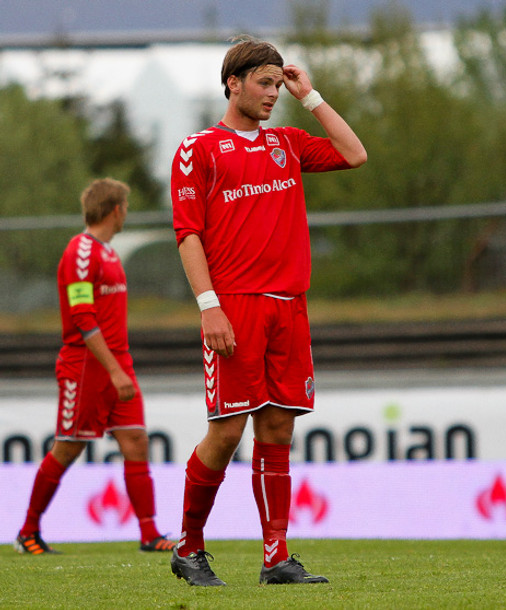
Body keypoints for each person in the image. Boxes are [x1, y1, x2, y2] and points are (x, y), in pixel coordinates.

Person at [169, 36, 366, 587]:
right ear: (233, 83)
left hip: (290, 306)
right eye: (264, 83)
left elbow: (354, 154)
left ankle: (276, 557)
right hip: (234, 306)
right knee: (227, 431)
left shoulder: (288, 142)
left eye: (278, 84)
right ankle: (188, 548)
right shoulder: (199, 149)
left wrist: (310, 96)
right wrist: (209, 307)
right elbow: (188, 234)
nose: (273, 93)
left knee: (278, 427)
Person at [14, 178, 175, 555]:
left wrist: (120, 367)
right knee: (68, 447)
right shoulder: (81, 251)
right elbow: (82, 316)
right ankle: (28, 532)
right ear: (116, 210)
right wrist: (114, 370)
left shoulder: (108, 253)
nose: (126, 214)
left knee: (135, 440)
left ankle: (150, 535)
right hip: (86, 366)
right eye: (125, 207)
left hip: (117, 364)